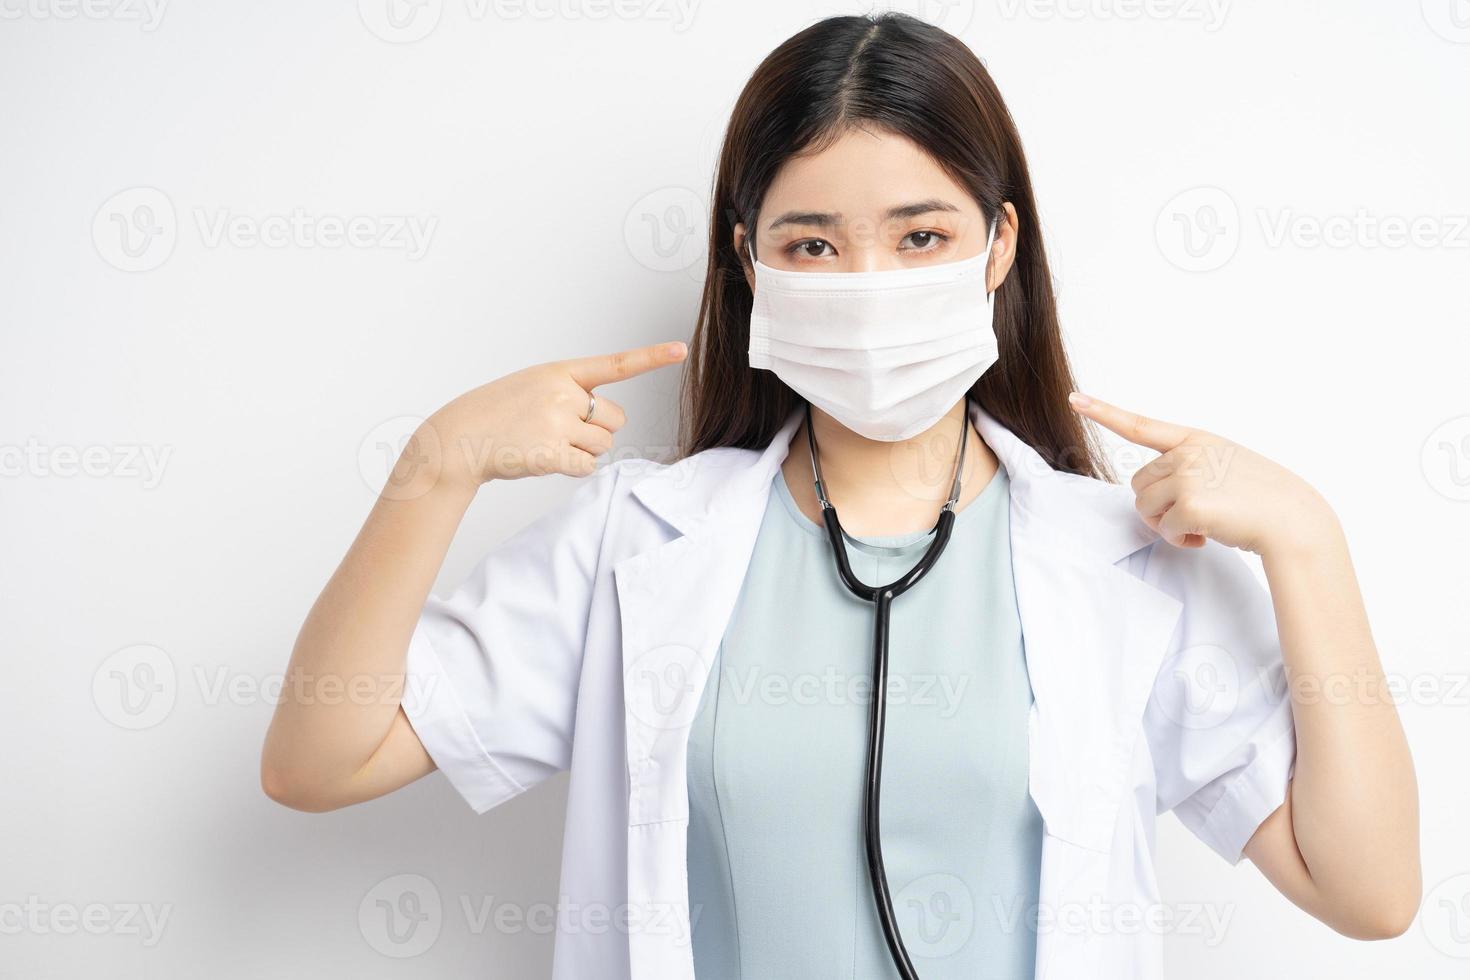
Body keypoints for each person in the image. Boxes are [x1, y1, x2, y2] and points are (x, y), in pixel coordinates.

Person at [260, 12, 1420, 979]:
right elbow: (317, 761)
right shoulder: (634, 546)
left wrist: (1310, 543)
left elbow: (1368, 894)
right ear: (748, 260)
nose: (870, 285)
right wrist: (434, 465)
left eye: (922, 235)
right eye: (814, 245)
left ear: (1000, 244)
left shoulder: (1124, 560)